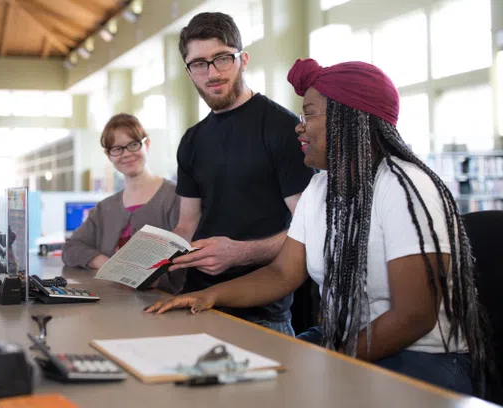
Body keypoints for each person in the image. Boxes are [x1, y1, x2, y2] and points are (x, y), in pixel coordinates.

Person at [145, 58, 489, 395]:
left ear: (349, 119)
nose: (299, 125)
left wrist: (328, 358)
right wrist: (208, 296)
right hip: (345, 345)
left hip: (421, 361)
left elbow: (414, 316)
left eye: (309, 113)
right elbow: (282, 273)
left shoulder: (404, 186)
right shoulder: (321, 187)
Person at [167, 12, 314, 334]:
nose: (212, 72)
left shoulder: (282, 128)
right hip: (197, 301)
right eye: (199, 64)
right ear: (189, 72)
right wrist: (146, 258)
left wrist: (241, 252)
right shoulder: (192, 139)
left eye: (222, 59)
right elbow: (187, 223)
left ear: (243, 60)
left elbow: (311, 229)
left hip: (262, 311)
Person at [62, 114, 182, 293]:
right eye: (117, 149)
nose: (126, 154)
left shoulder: (176, 197)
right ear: (108, 155)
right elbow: (71, 248)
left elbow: (187, 264)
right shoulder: (104, 208)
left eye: (133, 144)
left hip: (161, 306)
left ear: (146, 144)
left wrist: (150, 279)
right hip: (113, 305)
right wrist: (107, 264)